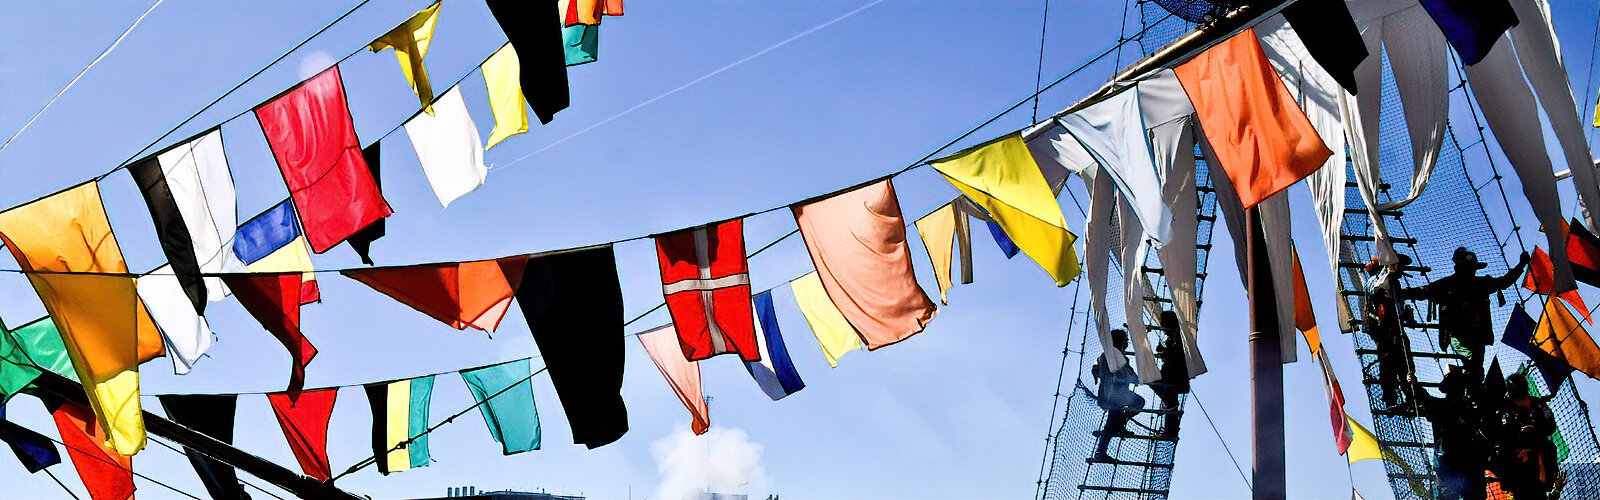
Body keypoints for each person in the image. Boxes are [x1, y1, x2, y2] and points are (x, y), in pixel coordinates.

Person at [1406, 248, 1529, 381]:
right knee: (1474, 366)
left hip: (1476, 337)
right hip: (1460, 336)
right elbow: (1424, 291)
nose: (1470, 270)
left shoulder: (1478, 283)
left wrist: (1521, 265)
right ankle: (1466, 383)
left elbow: (1503, 282)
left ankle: (1466, 383)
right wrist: (1403, 293)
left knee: (1476, 369)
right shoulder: (1450, 284)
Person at [1412, 366, 1489, 500]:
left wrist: (1414, 384)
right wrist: (1414, 384)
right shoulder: (1466, 408)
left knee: (1455, 494)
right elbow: (1424, 398)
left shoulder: (1464, 408)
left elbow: (1424, 399)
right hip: (1457, 461)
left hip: (1457, 461)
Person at [1492, 372, 1560, 500]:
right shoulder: (1504, 407)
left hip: (1539, 455)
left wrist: (1534, 430)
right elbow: (1497, 432)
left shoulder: (1538, 404)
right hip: (1515, 459)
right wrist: (1518, 432)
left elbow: (1550, 426)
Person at [1365, 254, 1416, 412]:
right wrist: (1389, 270)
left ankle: (1410, 396)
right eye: (1398, 266)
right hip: (1383, 329)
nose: (1401, 270)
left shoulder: (1395, 284)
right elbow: (1377, 287)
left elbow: (1398, 305)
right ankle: (1390, 400)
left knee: (1406, 362)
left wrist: (1406, 316)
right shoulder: (1376, 280)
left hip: (1396, 327)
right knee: (1387, 363)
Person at [1092, 329, 1144, 462]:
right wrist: (1135, 379)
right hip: (1117, 394)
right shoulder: (1118, 356)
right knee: (1138, 403)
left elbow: (1096, 370)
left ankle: (1102, 450)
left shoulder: (1103, 356)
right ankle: (1118, 426)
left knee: (1112, 421)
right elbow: (1126, 373)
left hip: (1106, 394)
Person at [1152, 311, 1189, 438]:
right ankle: (1170, 431)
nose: (1163, 328)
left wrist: (1165, 352)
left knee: (1153, 382)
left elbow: (1177, 355)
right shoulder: (1174, 337)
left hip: (1174, 377)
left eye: (1164, 325)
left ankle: (1170, 431)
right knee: (1171, 402)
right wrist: (1164, 351)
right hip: (1172, 376)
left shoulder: (1178, 336)